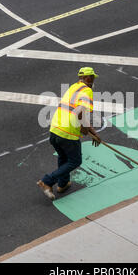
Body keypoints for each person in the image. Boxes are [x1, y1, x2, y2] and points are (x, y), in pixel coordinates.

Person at [37, 67, 101, 200]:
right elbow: (81, 113)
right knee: (75, 160)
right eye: (93, 78)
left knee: (63, 157)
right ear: (88, 78)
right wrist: (84, 129)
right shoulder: (87, 91)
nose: (93, 81)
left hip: (55, 130)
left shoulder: (73, 88)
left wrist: (93, 132)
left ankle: (63, 184)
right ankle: (47, 181)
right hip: (68, 133)